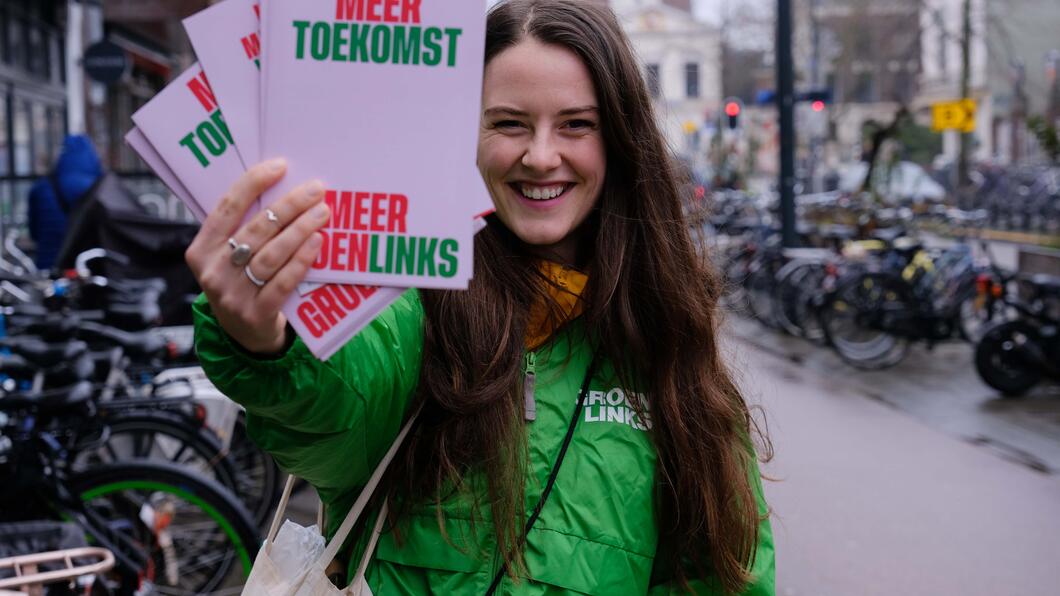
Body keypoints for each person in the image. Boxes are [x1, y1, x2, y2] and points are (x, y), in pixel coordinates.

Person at [186, 0, 775, 593]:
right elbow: (332, 405)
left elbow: (721, 575)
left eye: (576, 124)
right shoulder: (407, 307)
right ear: (462, 135)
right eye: (509, 124)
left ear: (620, 140)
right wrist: (267, 341)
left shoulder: (666, 341)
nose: (540, 156)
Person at [27, 134, 103, 270]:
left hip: (49, 263)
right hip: (87, 266)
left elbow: (34, 233)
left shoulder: (41, 188)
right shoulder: (98, 187)